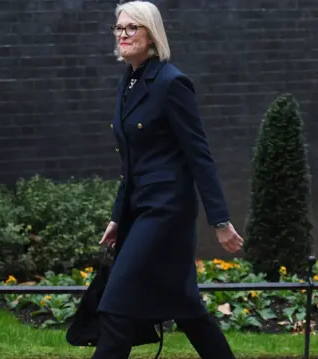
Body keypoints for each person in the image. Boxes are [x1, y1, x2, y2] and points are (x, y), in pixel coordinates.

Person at [93, 1, 244, 358]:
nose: (124, 35)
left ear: (151, 34)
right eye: (119, 28)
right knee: (188, 311)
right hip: (140, 212)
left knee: (117, 305)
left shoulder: (171, 83)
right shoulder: (127, 83)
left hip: (166, 214)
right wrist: (118, 215)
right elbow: (131, 162)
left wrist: (219, 220)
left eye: (133, 28)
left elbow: (199, 155)